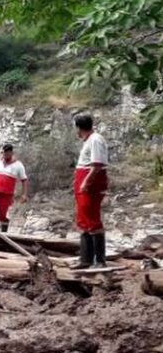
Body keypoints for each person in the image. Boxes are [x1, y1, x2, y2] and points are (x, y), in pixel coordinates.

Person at [71, 114, 109, 269]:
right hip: (83, 181)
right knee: (83, 218)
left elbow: (96, 165)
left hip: (91, 184)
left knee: (92, 218)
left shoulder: (95, 139)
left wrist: (86, 182)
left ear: (79, 128)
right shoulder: (89, 141)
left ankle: (100, 260)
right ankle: (85, 259)